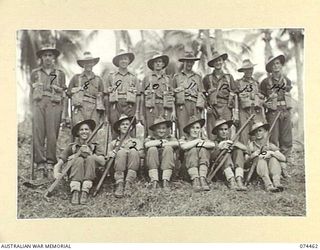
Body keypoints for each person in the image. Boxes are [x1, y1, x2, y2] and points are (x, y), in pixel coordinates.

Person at [30, 44, 67, 180]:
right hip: (38, 104)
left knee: (52, 134)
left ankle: (50, 162)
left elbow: (64, 93)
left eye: (50, 55)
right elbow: (30, 93)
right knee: (38, 133)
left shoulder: (60, 74)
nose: (47, 58)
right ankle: (40, 164)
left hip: (54, 104)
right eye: (45, 55)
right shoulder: (35, 73)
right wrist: (30, 109)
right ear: (41, 57)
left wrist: (64, 113)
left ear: (54, 58)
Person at [53, 119, 106, 204]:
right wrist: (56, 173)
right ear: (78, 133)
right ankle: (75, 191)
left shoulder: (96, 146)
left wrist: (90, 153)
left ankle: (85, 191)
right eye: (81, 130)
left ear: (91, 131)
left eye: (86, 129)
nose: (84, 132)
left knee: (90, 158)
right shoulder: (72, 147)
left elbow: (103, 162)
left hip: (91, 175)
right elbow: (58, 164)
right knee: (78, 159)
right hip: (75, 175)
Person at [259, 54, 293, 158]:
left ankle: (285, 161)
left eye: (277, 63)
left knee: (286, 139)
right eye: (273, 64)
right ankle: (275, 162)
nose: (276, 66)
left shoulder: (287, 80)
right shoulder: (265, 82)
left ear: (281, 65)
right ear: (270, 68)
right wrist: (264, 104)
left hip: (285, 111)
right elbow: (260, 97)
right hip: (273, 112)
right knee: (273, 138)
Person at [104, 50, 140, 137]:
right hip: (115, 106)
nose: (123, 61)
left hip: (130, 106)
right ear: (117, 62)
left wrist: (137, 112)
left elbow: (138, 95)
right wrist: (106, 114)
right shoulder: (111, 77)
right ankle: (115, 150)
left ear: (128, 61)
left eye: (125, 59)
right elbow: (105, 96)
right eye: (121, 59)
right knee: (115, 130)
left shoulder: (134, 77)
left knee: (131, 130)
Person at [203, 51, 237, 140]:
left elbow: (234, 94)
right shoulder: (207, 78)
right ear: (213, 64)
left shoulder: (229, 77)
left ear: (222, 62)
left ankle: (227, 152)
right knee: (212, 132)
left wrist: (235, 111)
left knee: (226, 132)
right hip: (212, 108)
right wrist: (206, 106)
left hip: (225, 107)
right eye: (216, 61)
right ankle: (213, 152)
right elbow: (202, 94)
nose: (218, 63)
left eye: (220, 60)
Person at [107, 114, 143, 198]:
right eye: (122, 124)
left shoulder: (136, 141)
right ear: (119, 128)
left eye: (127, 124)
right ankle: (119, 184)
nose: (125, 126)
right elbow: (107, 157)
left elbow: (142, 155)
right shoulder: (113, 143)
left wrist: (133, 149)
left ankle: (128, 183)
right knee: (121, 152)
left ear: (131, 127)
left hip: (132, 167)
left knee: (134, 151)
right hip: (118, 169)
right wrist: (111, 154)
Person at [141, 53, 175, 136]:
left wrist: (174, 111)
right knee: (150, 130)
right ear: (152, 64)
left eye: (160, 61)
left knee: (165, 130)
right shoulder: (147, 78)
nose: (158, 63)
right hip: (151, 108)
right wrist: (141, 114)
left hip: (165, 107)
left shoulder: (168, 79)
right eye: (155, 62)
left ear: (163, 64)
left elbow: (172, 96)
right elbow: (142, 97)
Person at [173, 52, 206, 137]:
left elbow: (202, 94)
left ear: (194, 63)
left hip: (195, 105)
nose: (189, 64)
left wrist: (202, 112)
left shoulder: (198, 77)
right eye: (187, 61)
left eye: (191, 62)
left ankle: (195, 148)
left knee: (196, 129)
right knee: (182, 128)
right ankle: (183, 148)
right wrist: (173, 111)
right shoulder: (177, 77)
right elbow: (172, 95)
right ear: (183, 62)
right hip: (182, 106)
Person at [67, 52, 104, 126]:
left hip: (94, 109)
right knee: (79, 130)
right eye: (86, 62)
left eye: (90, 62)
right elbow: (68, 94)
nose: (88, 64)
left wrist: (103, 116)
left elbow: (103, 96)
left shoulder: (98, 79)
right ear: (82, 64)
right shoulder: (76, 78)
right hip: (80, 108)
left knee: (93, 131)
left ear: (93, 64)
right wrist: (66, 115)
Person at [247, 121, 286, 192]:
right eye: (256, 132)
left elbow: (283, 158)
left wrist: (271, 153)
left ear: (265, 132)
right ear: (254, 134)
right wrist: (252, 156)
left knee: (274, 159)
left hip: (271, 169)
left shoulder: (270, 145)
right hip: (258, 170)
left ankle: (277, 183)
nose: (258, 133)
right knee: (261, 160)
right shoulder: (251, 146)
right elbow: (245, 162)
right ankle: (268, 185)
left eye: (260, 131)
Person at [179, 116, 215, 191]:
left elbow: (212, 144)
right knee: (193, 150)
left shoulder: (203, 139)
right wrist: (198, 141)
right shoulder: (184, 139)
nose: (195, 130)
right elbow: (184, 147)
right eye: (193, 128)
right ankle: (195, 179)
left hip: (203, 172)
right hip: (187, 172)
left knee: (203, 150)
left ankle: (202, 178)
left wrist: (200, 143)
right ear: (188, 130)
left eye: (197, 128)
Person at [211, 119, 247, 191]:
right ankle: (231, 181)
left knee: (238, 151)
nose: (224, 132)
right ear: (217, 132)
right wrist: (220, 148)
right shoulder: (213, 143)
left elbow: (246, 149)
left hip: (234, 170)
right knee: (225, 154)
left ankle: (239, 179)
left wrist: (235, 144)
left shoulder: (232, 141)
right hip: (221, 172)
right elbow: (211, 157)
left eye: (226, 129)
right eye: (221, 130)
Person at [144, 116, 179, 189]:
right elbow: (147, 144)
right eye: (159, 128)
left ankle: (166, 180)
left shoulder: (169, 137)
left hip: (167, 169)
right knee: (152, 149)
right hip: (153, 169)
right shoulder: (151, 138)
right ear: (154, 130)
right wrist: (161, 142)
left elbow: (176, 143)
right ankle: (154, 181)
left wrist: (164, 144)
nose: (161, 130)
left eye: (163, 128)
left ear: (166, 129)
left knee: (168, 148)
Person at [236, 59, 266, 144]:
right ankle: (244, 154)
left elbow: (262, 98)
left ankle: (257, 154)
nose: (249, 71)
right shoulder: (238, 82)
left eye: (250, 69)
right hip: (243, 111)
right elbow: (235, 98)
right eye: (246, 69)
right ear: (243, 71)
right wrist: (236, 114)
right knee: (243, 135)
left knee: (257, 133)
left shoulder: (256, 83)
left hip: (256, 111)